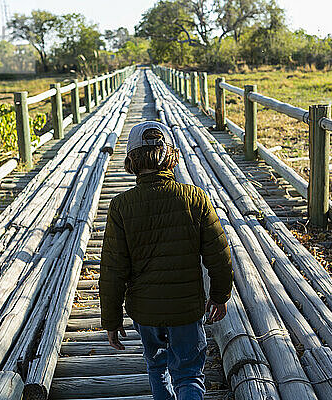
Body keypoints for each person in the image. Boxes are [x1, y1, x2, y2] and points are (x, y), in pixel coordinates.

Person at [100, 120, 233, 400]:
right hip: (186, 308)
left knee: (157, 367)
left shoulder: (120, 206)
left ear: (132, 159)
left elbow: (113, 270)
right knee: (188, 374)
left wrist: (111, 320)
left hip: (145, 313)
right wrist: (219, 296)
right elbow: (219, 255)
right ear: (170, 155)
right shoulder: (195, 198)